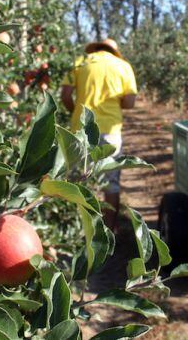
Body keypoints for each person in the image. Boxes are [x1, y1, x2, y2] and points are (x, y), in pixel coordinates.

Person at [61, 38, 137, 231]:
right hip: (110, 130)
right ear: (114, 51)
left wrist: (75, 111)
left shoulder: (81, 61)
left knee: (78, 181)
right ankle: (109, 228)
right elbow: (129, 103)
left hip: (81, 130)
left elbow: (65, 95)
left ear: (94, 49)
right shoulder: (123, 66)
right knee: (110, 182)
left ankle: (79, 228)